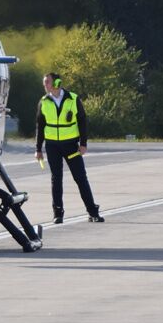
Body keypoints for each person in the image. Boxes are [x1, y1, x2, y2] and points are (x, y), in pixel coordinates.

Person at [35, 71, 104, 225]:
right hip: (52, 146)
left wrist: (83, 144)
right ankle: (57, 213)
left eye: (47, 82)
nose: (45, 85)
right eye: (44, 82)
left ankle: (93, 212)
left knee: (80, 178)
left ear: (57, 83)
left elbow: (82, 122)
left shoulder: (73, 99)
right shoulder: (44, 101)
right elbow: (40, 126)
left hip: (71, 146)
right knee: (56, 179)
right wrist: (38, 149)